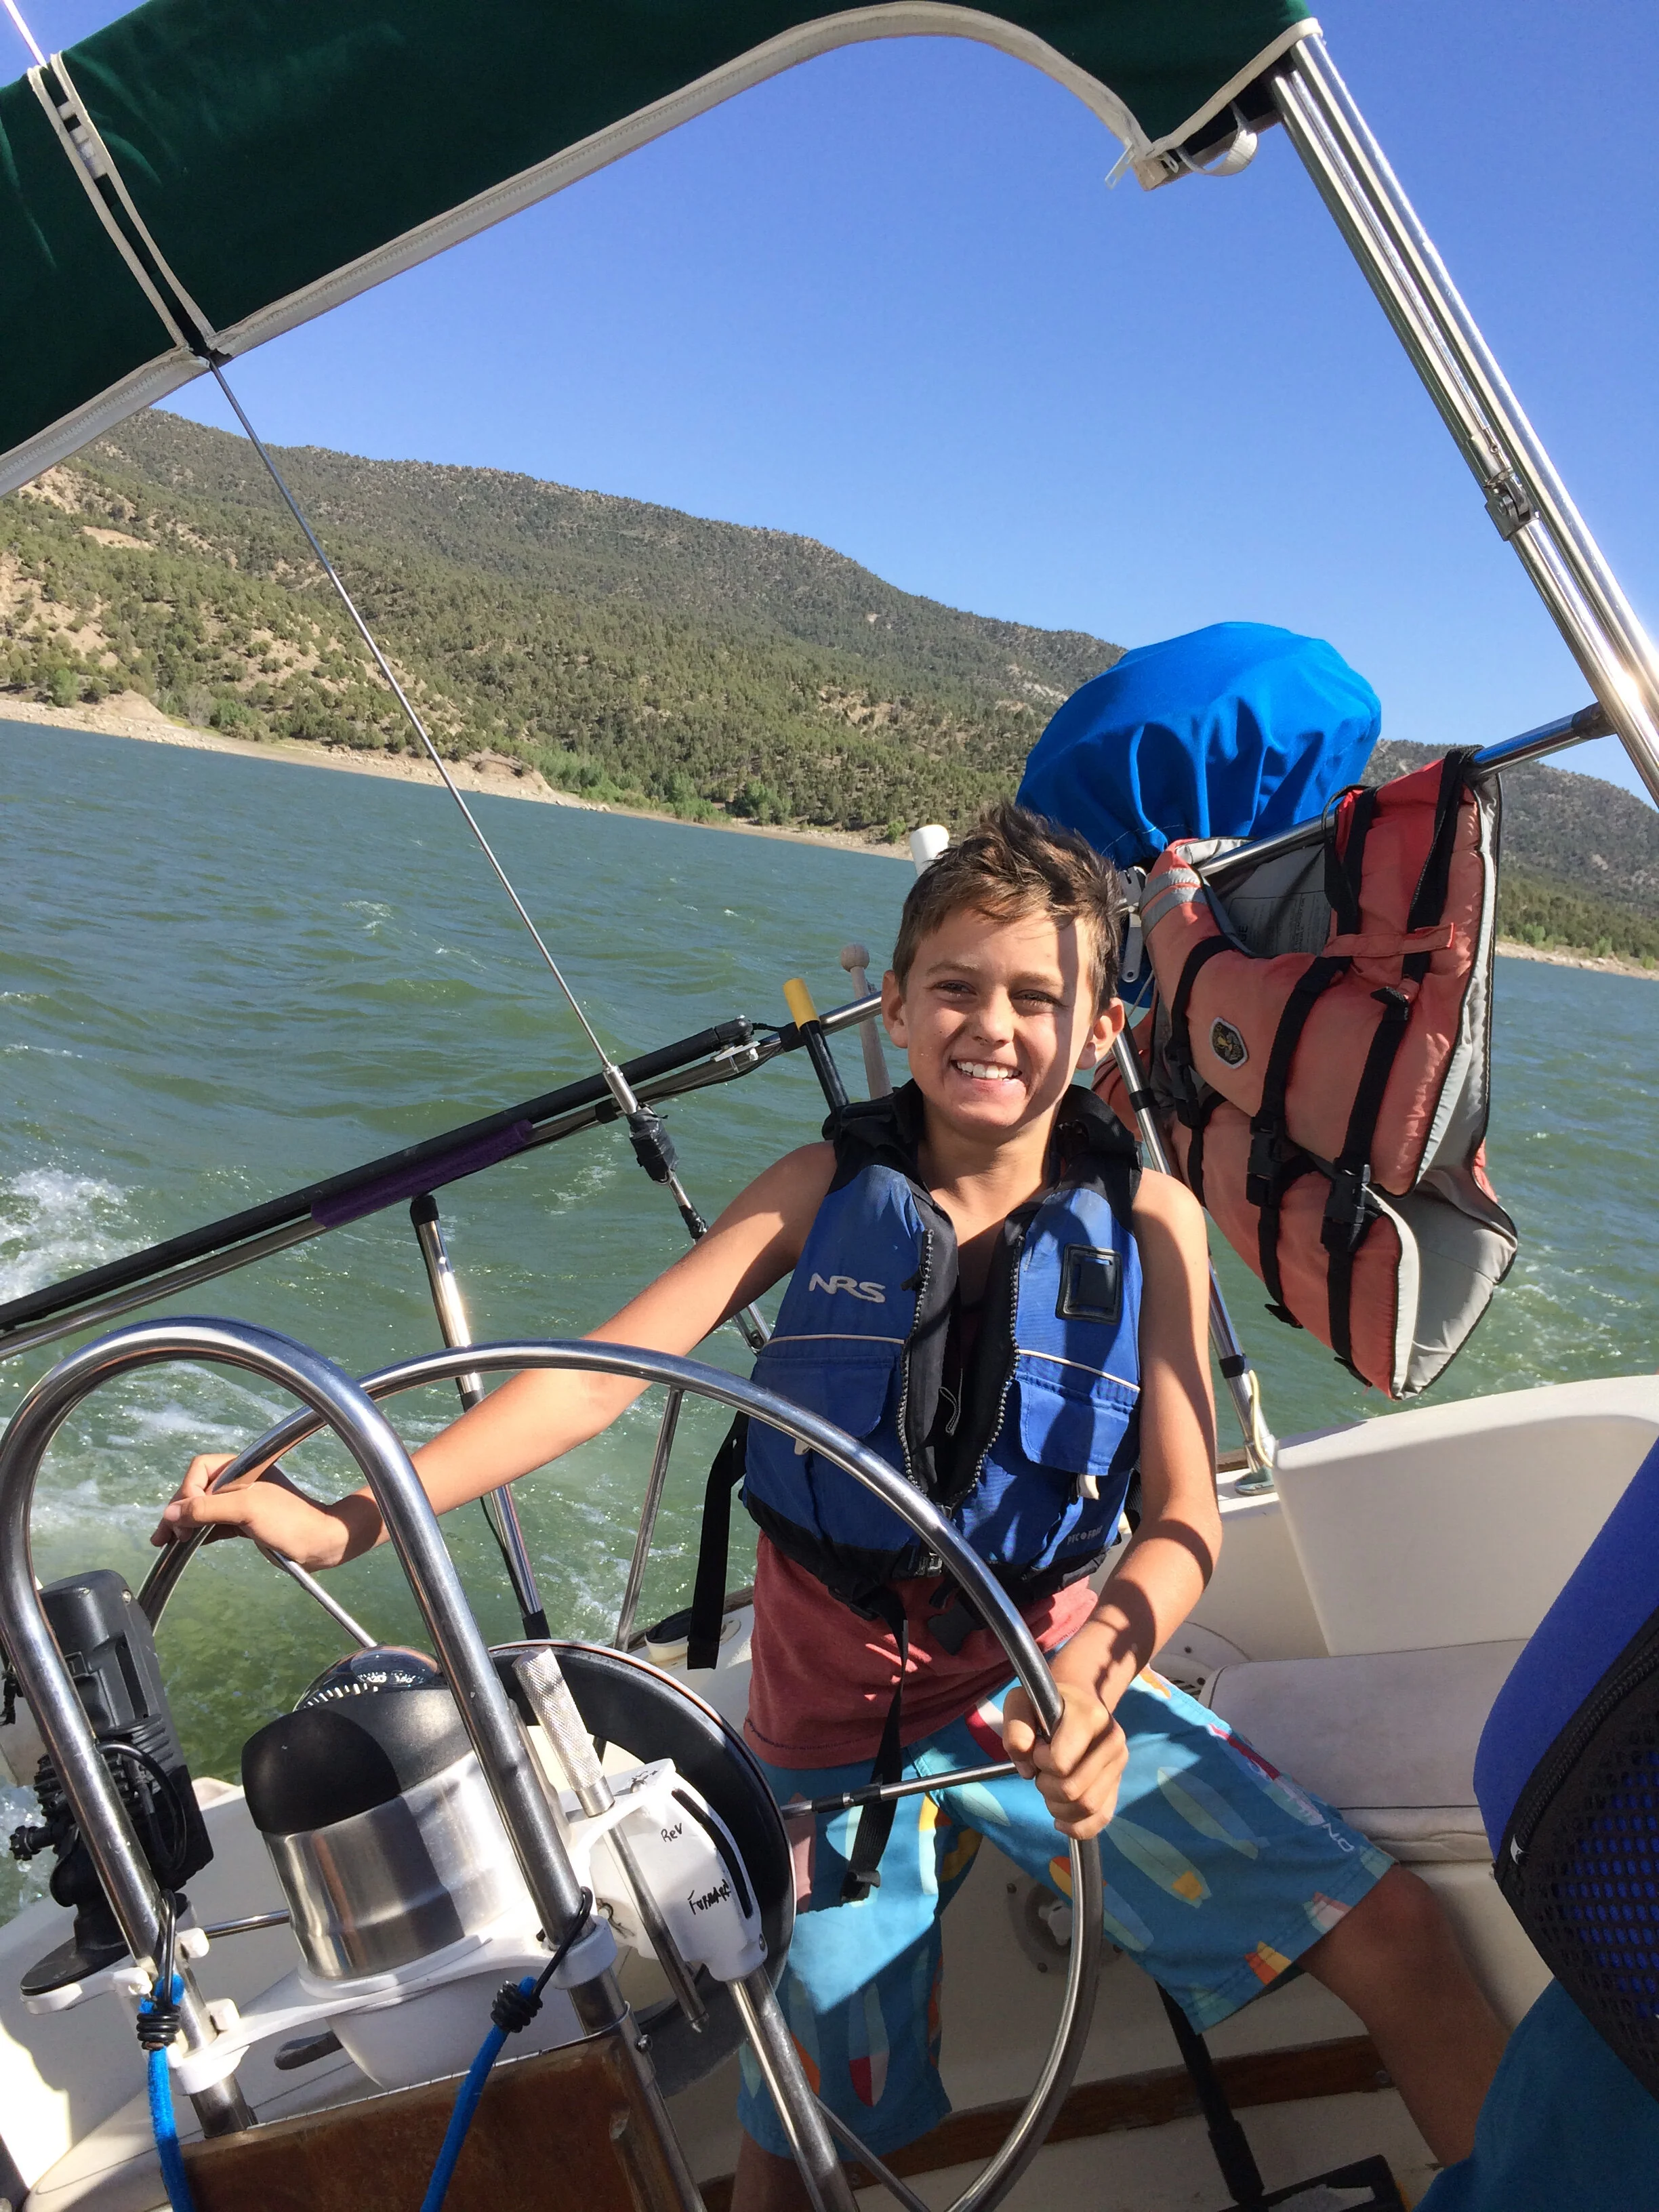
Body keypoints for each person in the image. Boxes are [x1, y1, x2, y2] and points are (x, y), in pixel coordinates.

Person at [155, 802, 1505, 2201]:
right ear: (899, 1007)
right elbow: (593, 1383)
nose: (994, 1027)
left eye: (1038, 998)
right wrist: (351, 1514)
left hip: (1049, 1677)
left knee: (1395, 1937)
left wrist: (1098, 1676)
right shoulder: (819, 1189)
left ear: (1102, 1030)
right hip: (825, 1732)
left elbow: (1184, 1518)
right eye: (958, 989)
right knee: (805, 2130)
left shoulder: (1151, 1224)